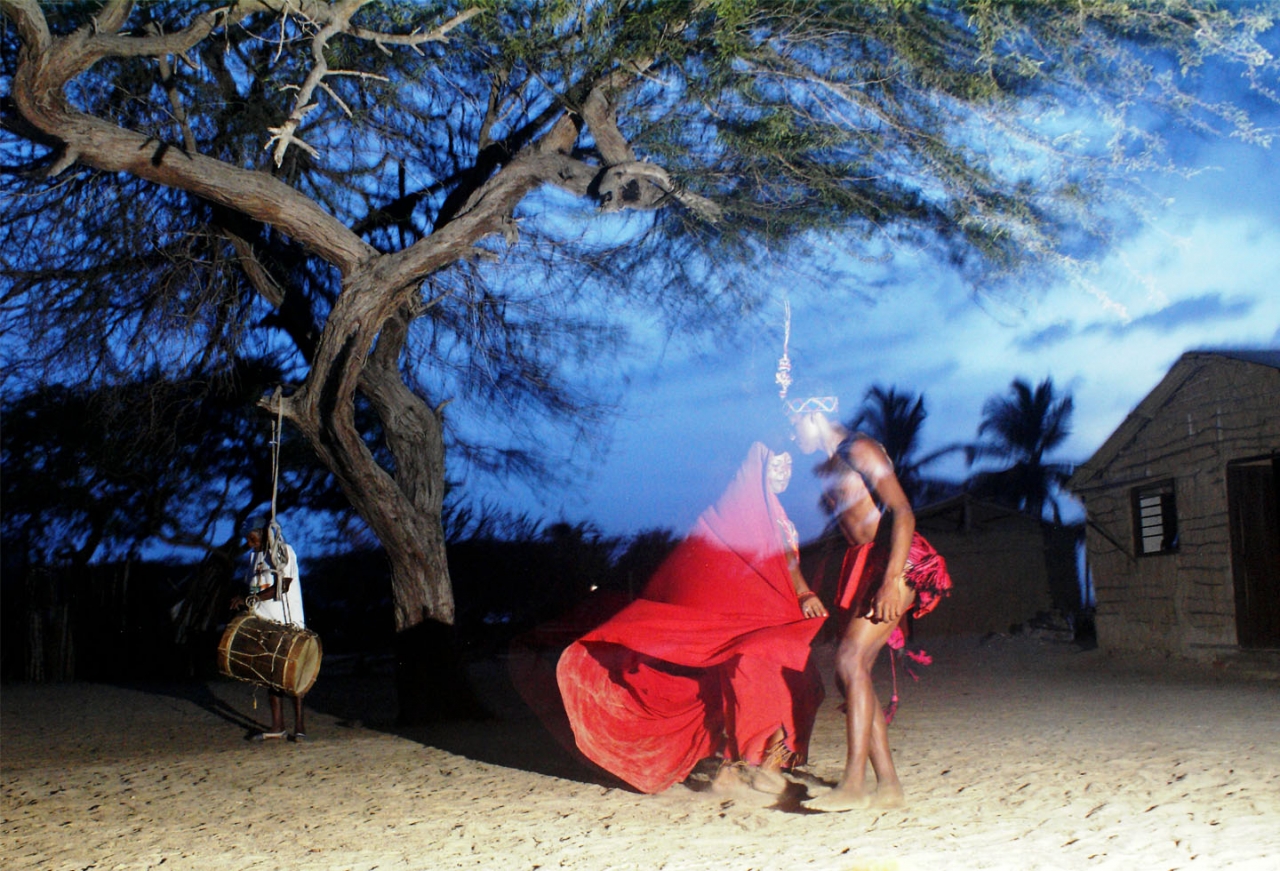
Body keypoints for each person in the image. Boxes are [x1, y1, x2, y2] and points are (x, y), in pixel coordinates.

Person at [556, 443, 828, 795]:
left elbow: (785, 564)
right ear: (756, 470)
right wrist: (802, 594)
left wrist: (801, 596)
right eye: (777, 464)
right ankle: (759, 767)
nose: (785, 472)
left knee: (790, 681)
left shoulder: (774, 512)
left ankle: (737, 769)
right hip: (751, 622)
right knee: (772, 679)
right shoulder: (740, 512)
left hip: (770, 617)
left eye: (789, 464)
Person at [787, 398, 951, 811]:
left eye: (793, 424)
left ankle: (854, 784)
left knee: (848, 660)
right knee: (851, 671)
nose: (791, 435)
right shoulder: (827, 464)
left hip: (897, 558)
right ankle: (889, 786)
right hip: (865, 562)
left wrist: (893, 579)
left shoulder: (860, 449)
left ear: (812, 412)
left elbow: (903, 512)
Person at [231, 522, 309, 742]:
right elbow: (253, 587)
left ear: (264, 535)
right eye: (247, 539)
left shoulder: (283, 551)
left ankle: (300, 727)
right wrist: (244, 599)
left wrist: (253, 598)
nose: (249, 543)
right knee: (269, 674)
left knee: (293, 675)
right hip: (263, 621)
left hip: (286, 621)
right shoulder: (252, 557)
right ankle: (278, 726)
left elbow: (283, 585)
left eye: (252, 538)